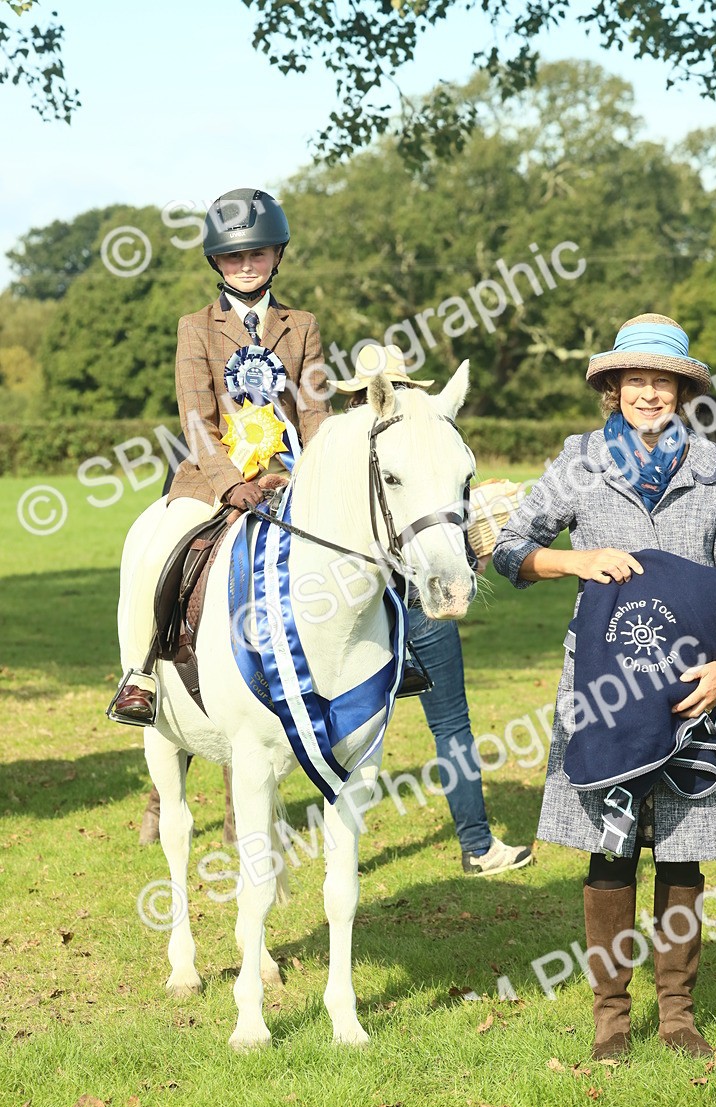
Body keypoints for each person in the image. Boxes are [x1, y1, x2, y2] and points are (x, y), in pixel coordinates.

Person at [494, 313, 716, 1058]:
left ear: (682, 389)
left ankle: (677, 1016)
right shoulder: (579, 463)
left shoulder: (713, 469)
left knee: (682, 853)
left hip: (695, 692)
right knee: (610, 851)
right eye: (636, 379)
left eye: (663, 381)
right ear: (613, 387)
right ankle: (611, 1023)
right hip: (606, 690)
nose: (650, 393)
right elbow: (509, 548)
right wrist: (575, 562)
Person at [111, 187, 331, 723]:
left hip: (287, 477)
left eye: (257, 253)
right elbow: (196, 420)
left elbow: (314, 411)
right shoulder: (195, 327)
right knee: (157, 549)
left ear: (277, 255)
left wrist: (319, 471)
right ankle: (140, 674)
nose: (247, 265)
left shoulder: (300, 326)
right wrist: (230, 483)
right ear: (217, 260)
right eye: (235, 255)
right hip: (210, 480)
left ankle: (395, 651)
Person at [333, 344, 533, 877]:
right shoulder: (343, 451)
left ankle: (476, 845)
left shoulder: (406, 444)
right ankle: (471, 845)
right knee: (423, 727)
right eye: (386, 391)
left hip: (406, 598)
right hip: (368, 603)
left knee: (441, 725)